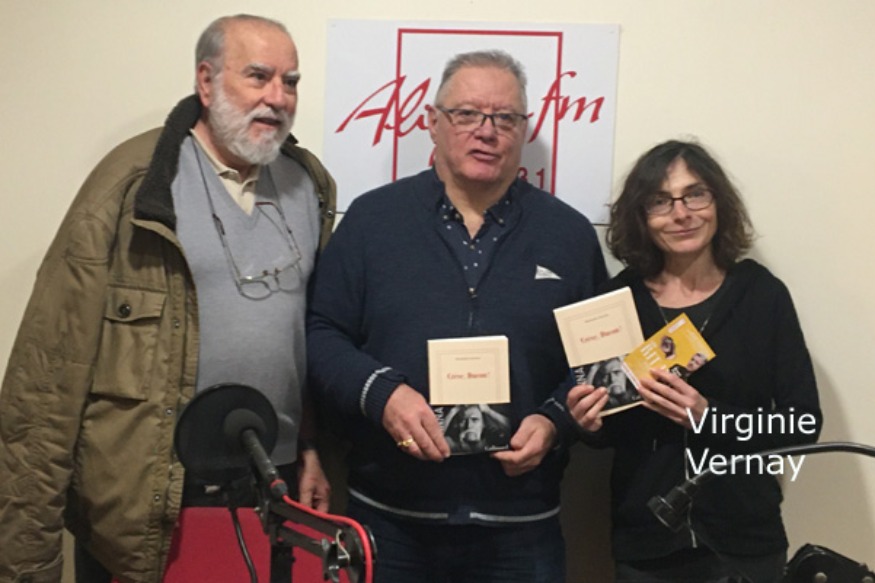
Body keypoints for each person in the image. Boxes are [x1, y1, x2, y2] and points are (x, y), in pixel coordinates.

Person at [0, 14, 335, 583]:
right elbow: (49, 376)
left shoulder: (310, 186)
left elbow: (313, 340)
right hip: (149, 499)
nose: (278, 98)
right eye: (258, 76)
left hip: (268, 492)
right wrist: (26, 559)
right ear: (206, 82)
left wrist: (309, 447)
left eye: (291, 81)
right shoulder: (131, 185)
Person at [307, 50, 606, 582]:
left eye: (504, 117)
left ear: (523, 128)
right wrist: (383, 394)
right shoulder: (372, 221)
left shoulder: (569, 235)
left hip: (522, 529)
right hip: (389, 522)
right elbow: (319, 333)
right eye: (466, 114)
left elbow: (600, 363)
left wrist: (555, 421)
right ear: (432, 122)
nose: (486, 131)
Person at [566, 140, 822, 582]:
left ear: (718, 202)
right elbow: (606, 434)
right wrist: (586, 423)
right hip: (647, 544)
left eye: (695, 194)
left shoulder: (763, 296)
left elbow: (802, 426)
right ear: (641, 218)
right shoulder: (615, 303)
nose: (681, 213)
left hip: (745, 542)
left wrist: (708, 416)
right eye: (660, 202)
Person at [442, 404, 512, 454]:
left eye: (475, 420)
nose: (469, 425)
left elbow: (511, 428)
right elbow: (436, 437)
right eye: (463, 420)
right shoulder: (452, 445)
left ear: (483, 424)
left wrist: (489, 411)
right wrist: (453, 411)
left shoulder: (492, 441)